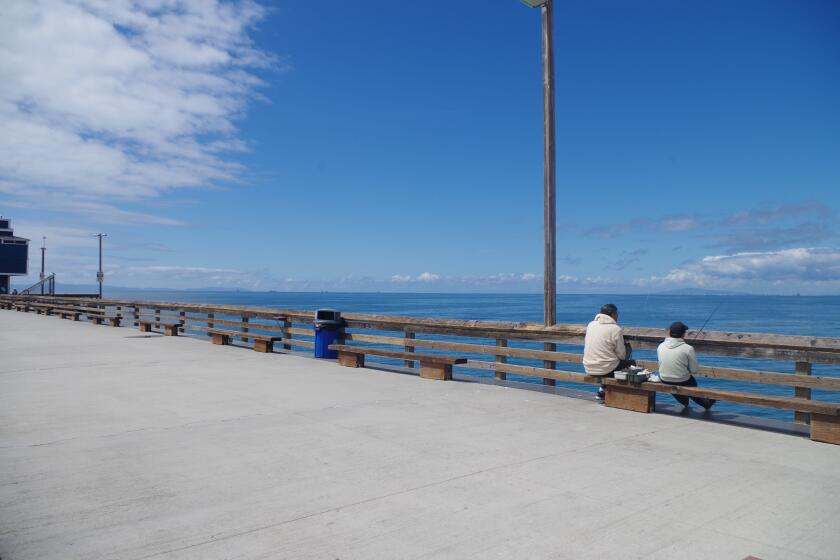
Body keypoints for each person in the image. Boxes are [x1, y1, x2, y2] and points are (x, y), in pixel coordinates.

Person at [657, 321, 715, 410]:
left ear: (669, 332)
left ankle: (684, 401)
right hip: (682, 380)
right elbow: (694, 370)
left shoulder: (660, 346)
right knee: (691, 382)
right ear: (683, 334)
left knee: (676, 381)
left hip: (664, 378)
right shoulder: (688, 348)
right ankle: (706, 404)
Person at [583, 303, 635, 400]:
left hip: (589, 366)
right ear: (613, 314)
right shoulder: (615, 329)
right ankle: (624, 396)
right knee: (631, 364)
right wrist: (626, 346)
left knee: (608, 362)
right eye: (617, 313)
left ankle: (602, 391)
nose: (618, 316)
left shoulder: (591, 324)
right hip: (605, 369)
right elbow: (622, 355)